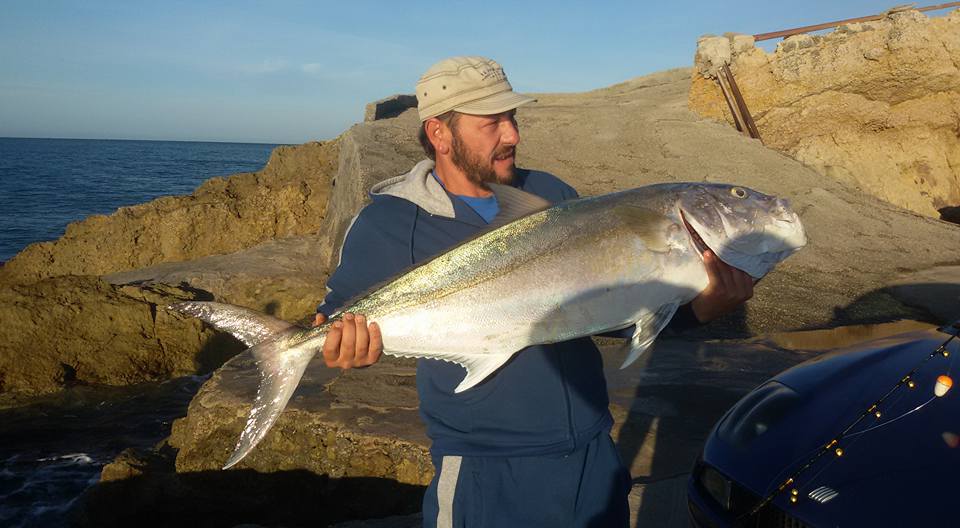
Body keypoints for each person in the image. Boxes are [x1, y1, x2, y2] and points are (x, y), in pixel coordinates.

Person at [313, 56, 753, 528]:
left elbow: (610, 306)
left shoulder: (551, 193)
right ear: (439, 134)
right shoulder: (394, 221)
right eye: (491, 123)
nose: (512, 136)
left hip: (591, 454)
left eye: (512, 118)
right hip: (486, 468)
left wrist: (701, 309)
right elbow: (336, 320)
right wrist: (343, 347)